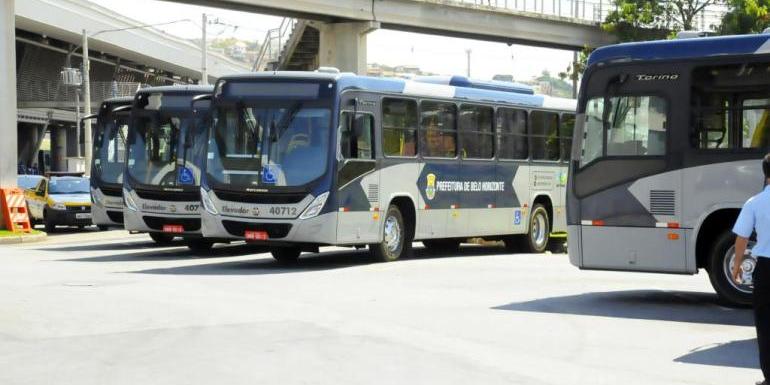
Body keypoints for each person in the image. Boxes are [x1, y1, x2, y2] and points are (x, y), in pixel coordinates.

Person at [733, 153, 770, 385]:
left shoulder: (754, 202)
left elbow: (741, 239)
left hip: (765, 270)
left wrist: (737, 266)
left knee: (765, 324)